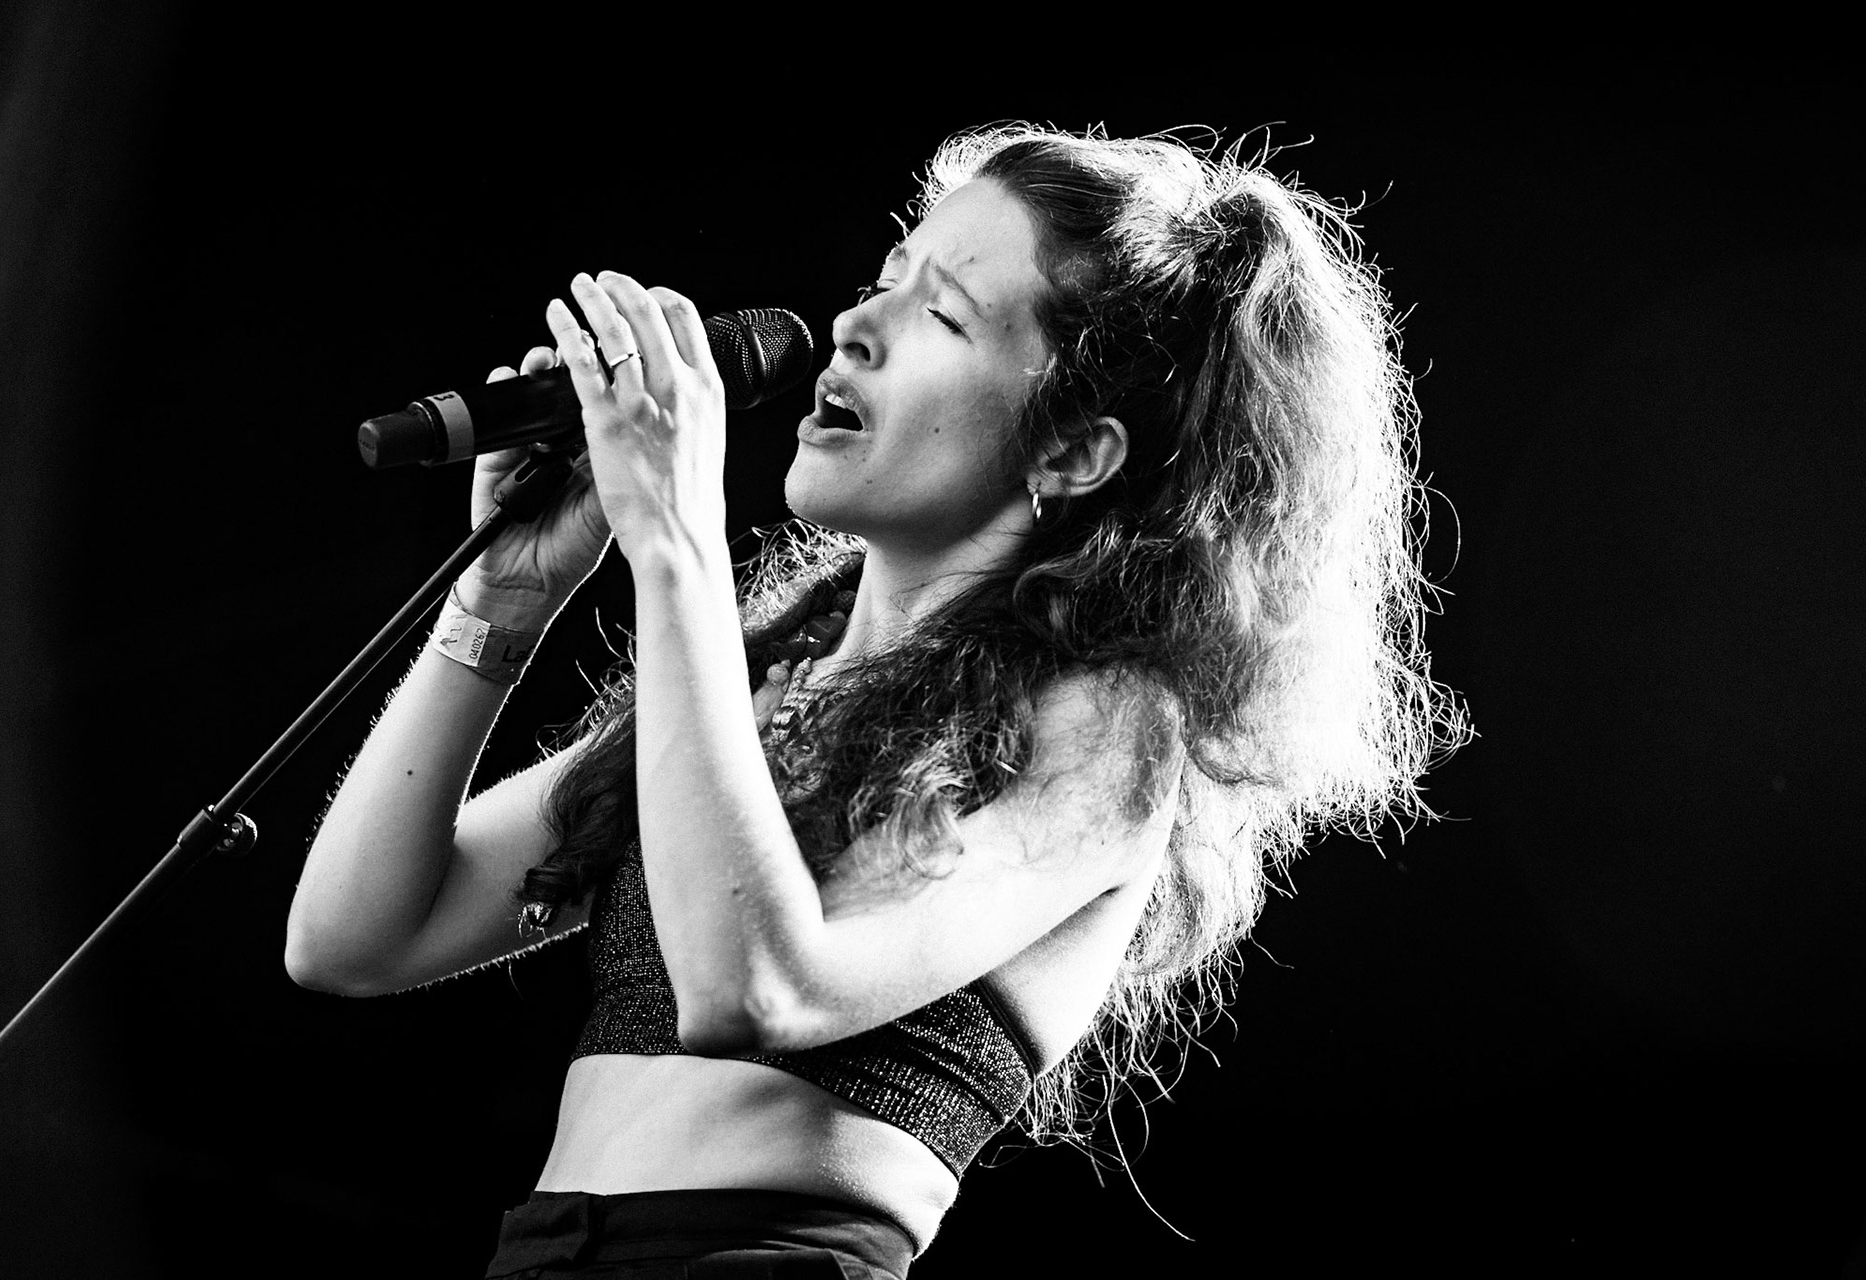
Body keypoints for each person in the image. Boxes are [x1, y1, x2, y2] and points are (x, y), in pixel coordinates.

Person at [284, 123, 1459, 1277]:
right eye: (882, 281)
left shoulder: (1110, 725)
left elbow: (756, 987)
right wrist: (499, 606)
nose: (854, 326)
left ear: (1072, 452)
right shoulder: (767, 673)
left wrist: (674, 540)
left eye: (941, 315)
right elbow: (354, 937)